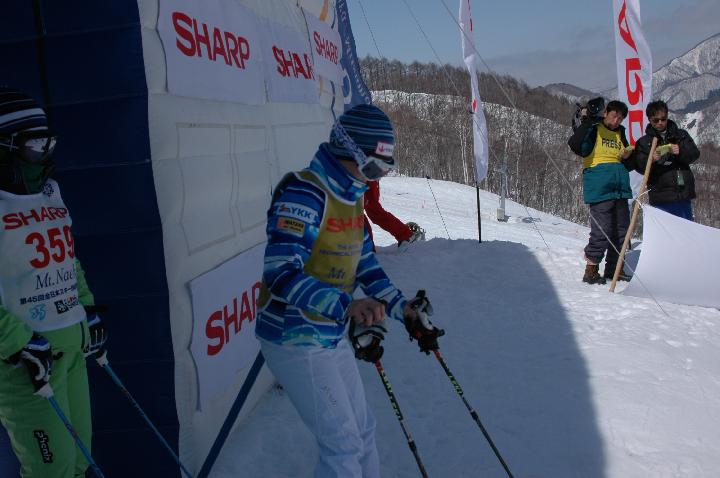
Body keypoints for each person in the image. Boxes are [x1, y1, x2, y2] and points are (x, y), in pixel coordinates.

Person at [255, 104, 442, 477]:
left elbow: (365, 264)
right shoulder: (305, 193)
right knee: (342, 445)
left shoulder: (352, 196)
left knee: (362, 431)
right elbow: (280, 273)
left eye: (384, 170)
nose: (377, 179)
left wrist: (402, 308)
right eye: (373, 169)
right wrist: (347, 306)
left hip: (328, 332)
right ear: (348, 152)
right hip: (294, 337)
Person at [0, 88, 107, 477]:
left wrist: (86, 309)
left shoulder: (49, 192)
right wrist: (18, 342)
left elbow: (66, 259)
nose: (45, 154)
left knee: (80, 463)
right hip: (26, 364)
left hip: (70, 349)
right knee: (52, 472)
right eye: (34, 145)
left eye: (49, 143)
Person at [568, 100, 635, 285]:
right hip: (599, 187)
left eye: (620, 118)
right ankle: (591, 270)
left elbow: (629, 165)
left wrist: (628, 157)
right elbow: (576, 145)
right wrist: (587, 121)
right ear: (605, 113)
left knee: (621, 231)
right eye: (614, 116)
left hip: (620, 188)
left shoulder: (620, 133)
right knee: (602, 230)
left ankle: (615, 270)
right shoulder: (594, 128)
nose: (616, 121)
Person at [631, 100, 700, 220]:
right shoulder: (644, 142)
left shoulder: (681, 135)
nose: (660, 123)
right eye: (656, 120)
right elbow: (639, 166)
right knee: (665, 230)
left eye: (663, 119)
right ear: (649, 120)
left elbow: (694, 154)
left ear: (667, 117)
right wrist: (652, 159)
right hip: (660, 196)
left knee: (685, 229)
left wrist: (680, 152)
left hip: (682, 194)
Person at [364, 179, 424, 250]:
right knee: (370, 211)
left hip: (366, 177)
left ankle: (365, 248)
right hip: (363, 177)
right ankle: (365, 248)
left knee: (371, 210)